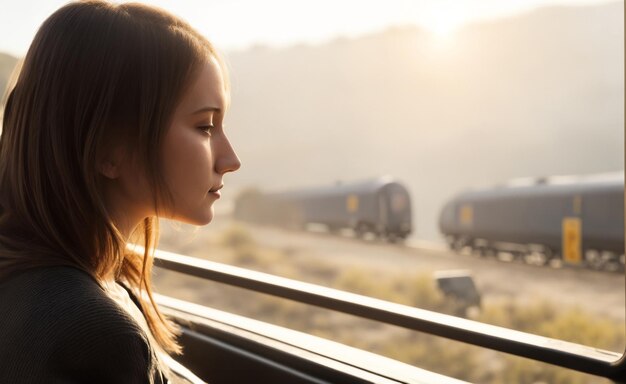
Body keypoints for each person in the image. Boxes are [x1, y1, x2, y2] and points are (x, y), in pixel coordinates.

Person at [0, 1, 240, 383]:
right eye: (205, 127)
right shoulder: (94, 331)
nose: (230, 159)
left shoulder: (68, 279)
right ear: (108, 149)